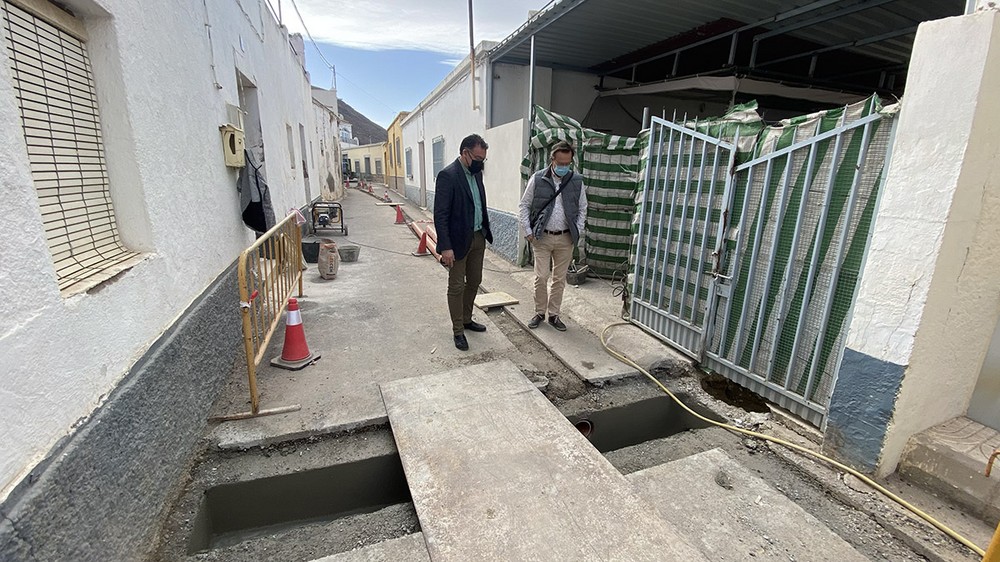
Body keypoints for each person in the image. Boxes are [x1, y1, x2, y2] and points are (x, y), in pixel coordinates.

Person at [518, 140, 587, 331]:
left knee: (559, 279)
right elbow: (524, 205)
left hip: (566, 239)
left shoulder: (576, 181)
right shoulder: (538, 179)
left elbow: (583, 208)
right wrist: (528, 232)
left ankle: (554, 315)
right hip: (542, 236)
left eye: (568, 163)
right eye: (561, 163)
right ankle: (539, 312)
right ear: (552, 160)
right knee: (541, 277)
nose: (564, 167)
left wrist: (577, 230)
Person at [434, 134, 494, 351]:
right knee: (456, 286)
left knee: (475, 280)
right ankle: (458, 330)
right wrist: (445, 247)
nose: (480, 162)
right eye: (478, 157)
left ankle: (467, 319)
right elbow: (440, 215)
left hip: (478, 237)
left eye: (483, 159)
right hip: (457, 242)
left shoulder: (476, 175)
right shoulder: (448, 176)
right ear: (465, 153)